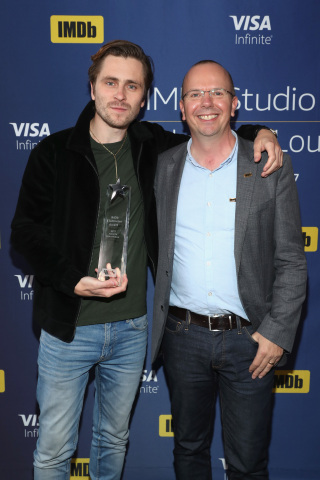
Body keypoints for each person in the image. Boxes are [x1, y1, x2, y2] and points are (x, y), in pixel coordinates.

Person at [11, 40, 282, 480]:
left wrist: (261, 131)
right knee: (54, 451)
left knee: (112, 442)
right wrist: (71, 280)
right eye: (111, 82)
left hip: (132, 329)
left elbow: (212, 129)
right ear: (93, 88)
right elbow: (24, 233)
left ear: (144, 97)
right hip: (68, 327)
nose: (120, 94)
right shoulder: (53, 153)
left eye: (132, 86)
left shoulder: (151, 146)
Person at [151, 60, 307, 479]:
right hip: (181, 338)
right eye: (195, 94)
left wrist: (277, 332)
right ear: (181, 108)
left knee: (247, 464)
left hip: (250, 342)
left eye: (217, 93)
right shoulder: (163, 167)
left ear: (234, 104)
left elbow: (292, 259)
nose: (206, 102)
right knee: (188, 451)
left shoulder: (269, 166)